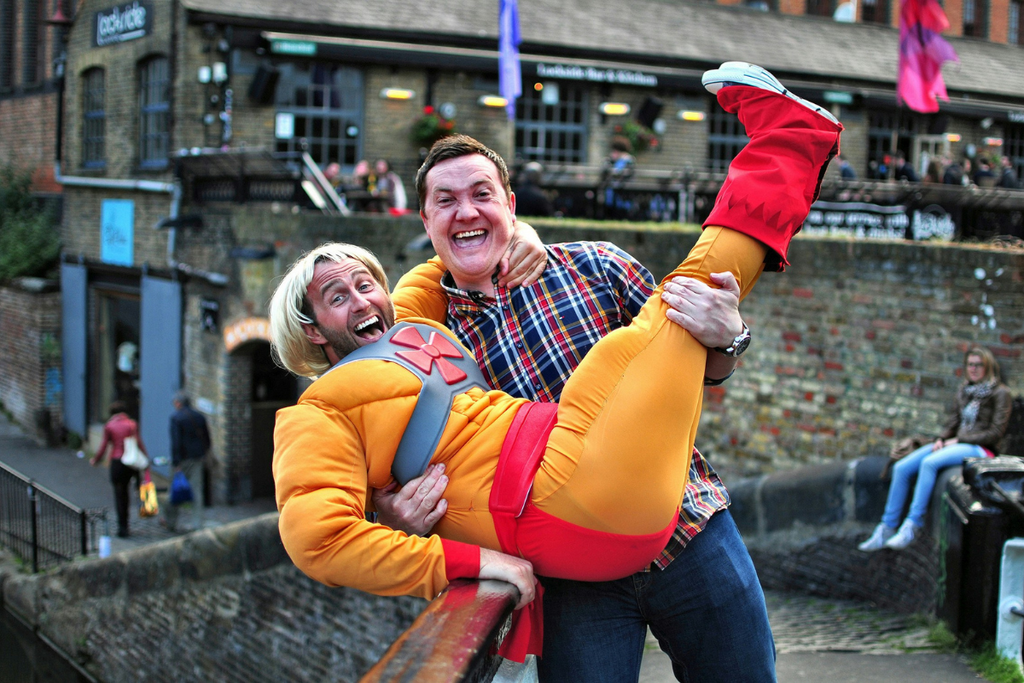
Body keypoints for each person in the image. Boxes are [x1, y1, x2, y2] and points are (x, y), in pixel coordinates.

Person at [270, 62, 842, 673]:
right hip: (570, 571)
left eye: (482, 195)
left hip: (690, 523)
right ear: (426, 223)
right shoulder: (422, 325)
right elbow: (331, 520)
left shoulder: (588, 266)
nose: (466, 212)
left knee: (671, 318)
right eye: (447, 202)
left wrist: (731, 337)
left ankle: (790, 143)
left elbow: (688, 373)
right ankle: (790, 145)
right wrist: (388, 514)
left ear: (510, 205)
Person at [859, 346, 1012, 551]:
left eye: (979, 365)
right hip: (956, 442)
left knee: (930, 463)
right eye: (970, 364)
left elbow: (995, 432)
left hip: (981, 449)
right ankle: (887, 526)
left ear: (988, 366)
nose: (974, 369)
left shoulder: (1000, 393)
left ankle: (913, 524)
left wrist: (958, 440)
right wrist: (941, 438)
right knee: (902, 468)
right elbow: (953, 421)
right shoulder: (964, 390)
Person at [90, 401, 149, 537]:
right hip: (131, 463)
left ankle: (122, 527)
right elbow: (139, 443)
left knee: (119, 494)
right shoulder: (132, 424)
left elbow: (104, 446)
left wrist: (96, 460)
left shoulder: (109, 426)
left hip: (117, 463)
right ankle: (133, 517)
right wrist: (145, 459)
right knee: (131, 491)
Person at [163, 392, 211, 533]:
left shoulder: (176, 418)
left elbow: (175, 441)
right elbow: (207, 438)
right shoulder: (199, 416)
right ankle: (197, 523)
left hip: (182, 459)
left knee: (175, 490)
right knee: (197, 490)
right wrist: (203, 452)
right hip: (197, 458)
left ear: (178, 403)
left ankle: (171, 522)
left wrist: (176, 462)